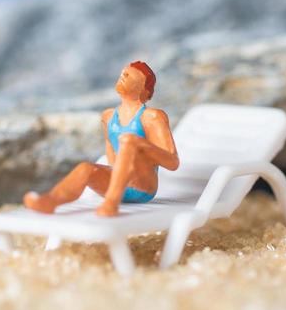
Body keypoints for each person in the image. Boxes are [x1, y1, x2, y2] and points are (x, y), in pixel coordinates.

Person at [23, 61, 179, 217]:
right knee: (86, 168)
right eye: (123, 73)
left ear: (143, 88)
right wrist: (119, 174)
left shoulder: (152, 117)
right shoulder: (108, 116)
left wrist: (137, 144)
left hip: (144, 187)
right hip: (118, 183)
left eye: (128, 75)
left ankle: (111, 203)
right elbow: (110, 150)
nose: (122, 75)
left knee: (129, 140)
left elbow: (172, 162)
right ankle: (49, 202)